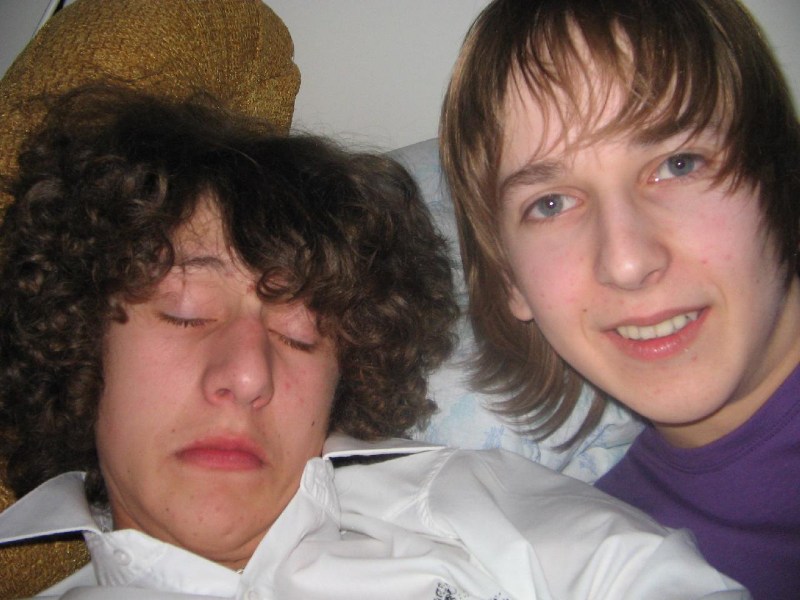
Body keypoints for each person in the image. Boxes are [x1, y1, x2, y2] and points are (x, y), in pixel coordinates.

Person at [0, 84, 746, 599]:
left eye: (300, 331)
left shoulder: (460, 507)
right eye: (186, 312)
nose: (248, 374)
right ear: (80, 345)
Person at [438, 0, 800, 597]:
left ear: (776, 178)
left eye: (678, 164)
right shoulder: (599, 564)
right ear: (510, 280)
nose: (627, 263)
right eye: (551, 204)